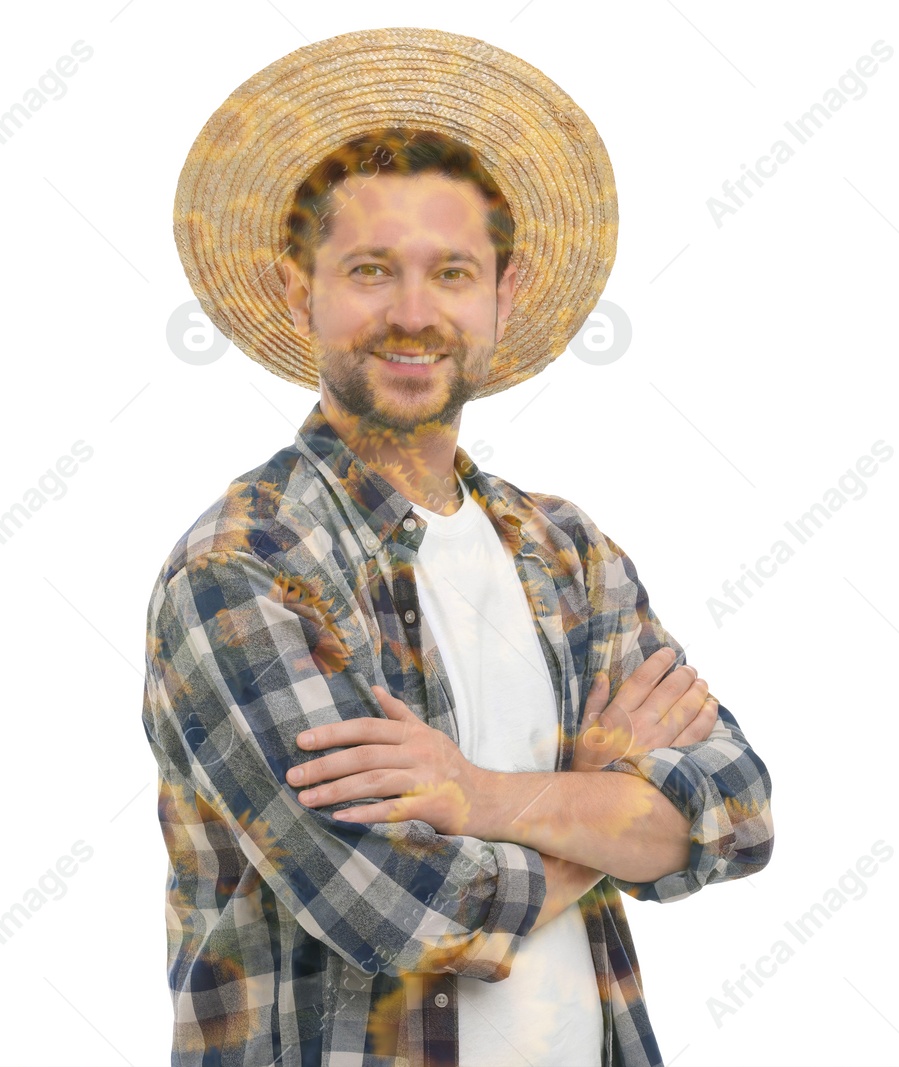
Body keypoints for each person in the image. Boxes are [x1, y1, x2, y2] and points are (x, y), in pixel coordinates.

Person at [144, 27, 774, 1066]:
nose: (412, 313)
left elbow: (736, 809)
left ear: (502, 294)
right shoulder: (241, 567)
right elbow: (399, 905)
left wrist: (478, 794)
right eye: (370, 270)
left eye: (450, 272)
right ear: (299, 290)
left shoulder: (567, 550)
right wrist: (602, 803)